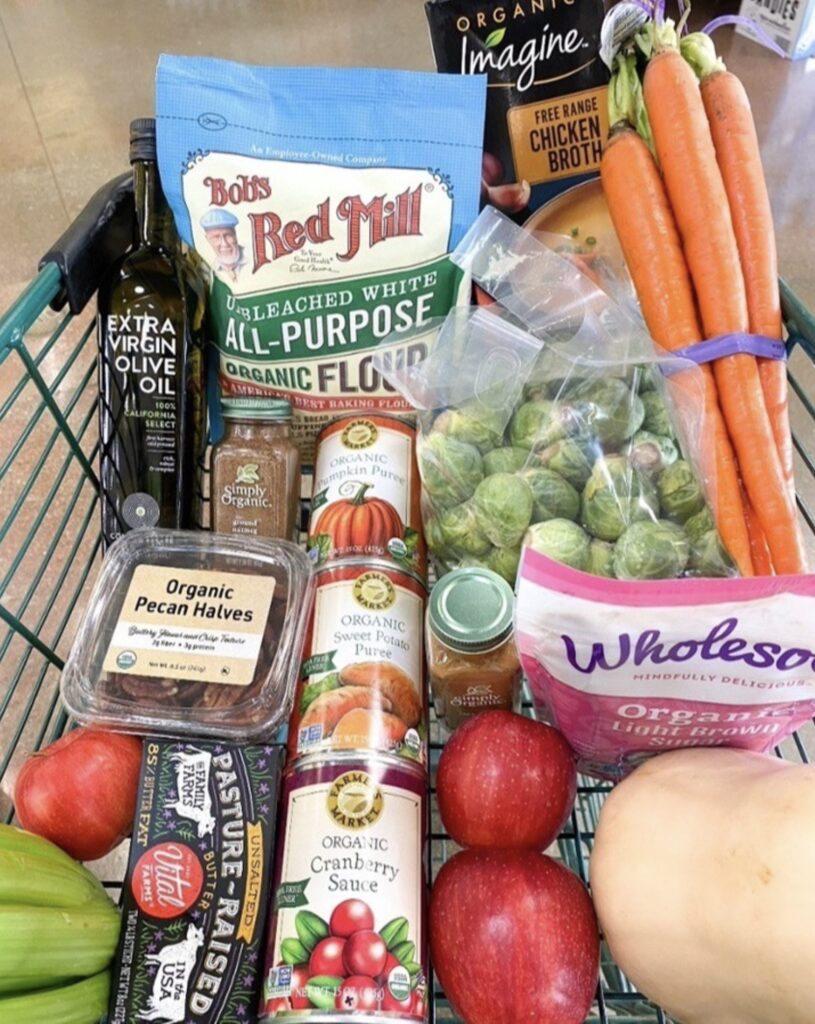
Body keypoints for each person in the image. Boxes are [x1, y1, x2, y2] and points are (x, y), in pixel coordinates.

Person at [200, 209, 246, 281]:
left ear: (235, 235)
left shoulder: (252, 257)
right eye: (216, 237)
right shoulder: (207, 267)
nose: (224, 244)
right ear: (207, 239)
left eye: (228, 235)